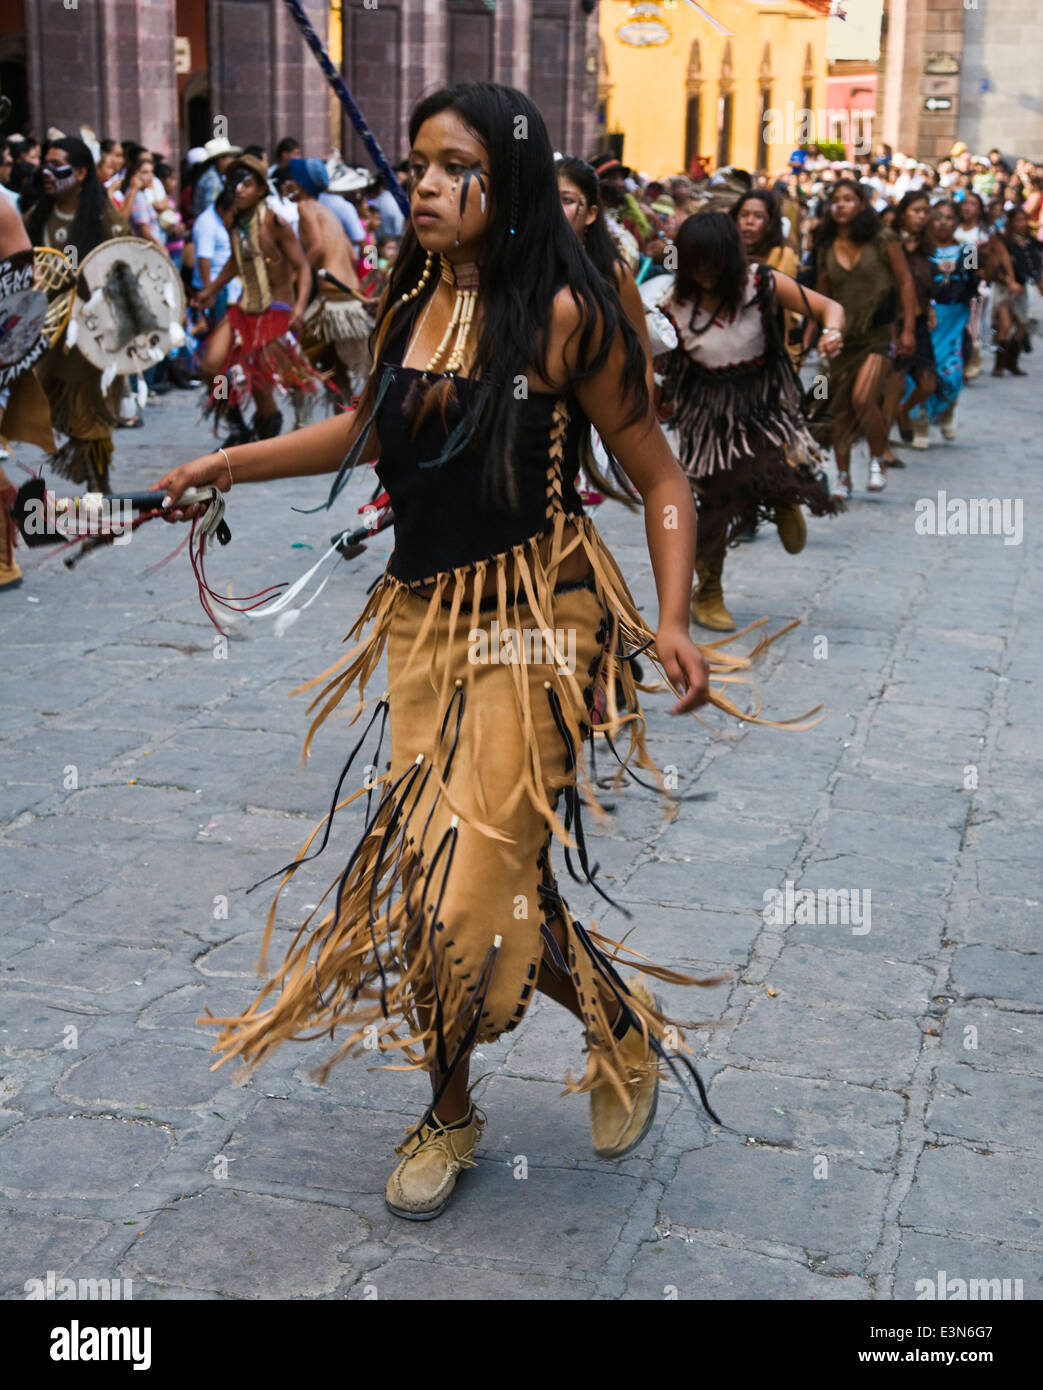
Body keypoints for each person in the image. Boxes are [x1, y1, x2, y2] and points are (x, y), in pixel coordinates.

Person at [155, 82, 796, 1222]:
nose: (429, 184)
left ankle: (552, 1051)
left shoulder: (563, 312)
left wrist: (669, 616)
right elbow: (367, 432)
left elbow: (654, 475)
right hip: (418, 622)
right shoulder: (406, 296)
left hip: (534, 618)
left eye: (456, 167)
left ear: (504, 185)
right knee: (436, 882)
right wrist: (225, 467)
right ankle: (478, 1090)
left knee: (468, 886)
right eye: (419, 163)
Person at [657, 212, 845, 632]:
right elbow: (657, 366)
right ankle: (709, 590)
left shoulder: (762, 283)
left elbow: (830, 308)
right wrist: (657, 397)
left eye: (713, 261)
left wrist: (833, 332)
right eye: (696, 261)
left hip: (765, 404)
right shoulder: (671, 305)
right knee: (717, 498)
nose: (705, 272)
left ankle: (783, 494)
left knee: (752, 465)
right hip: (706, 418)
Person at [193, 153, 324, 446]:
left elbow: (303, 266)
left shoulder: (276, 222)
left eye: (247, 184)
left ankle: (266, 430)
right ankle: (236, 424)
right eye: (236, 183)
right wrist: (211, 290)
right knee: (211, 368)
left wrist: (300, 306)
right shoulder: (236, 221)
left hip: (275, 310)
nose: (239, 189)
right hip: (244, 308)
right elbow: (236, 263)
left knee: (259, 382)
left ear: (262, 190)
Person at [22, 136, 128, 489]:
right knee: (65, 417)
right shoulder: (38, 216)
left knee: (88, 420)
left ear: (81, 173)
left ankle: (103, 501)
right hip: (51, 334)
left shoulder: (103, 216)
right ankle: (98, 493)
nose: (47, 173)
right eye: (45, 165)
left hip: (91, 336)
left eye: (57, 166)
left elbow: (123, 271)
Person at [811, 178, 917, 496]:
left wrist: (909, 329)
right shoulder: (825, 247)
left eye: (848, 199)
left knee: (862, 399)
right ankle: (843, 476)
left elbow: (906, 283)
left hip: (877, 335)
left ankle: (876, 459)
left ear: (861, 204)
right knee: (840, 408)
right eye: (836, 200)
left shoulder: (883, 239)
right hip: (842, 339)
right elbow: (822, 297)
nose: (840, 205)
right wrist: (816, 335)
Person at [286, 155, 372, 398]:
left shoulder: (305, 208)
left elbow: (317, 248)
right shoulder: (327, 210)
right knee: (333, 363)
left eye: (291, 179)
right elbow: (353, 257)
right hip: (349, 296)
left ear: (301, 184)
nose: (287, 183)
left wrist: (297, 276)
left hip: (330, 301)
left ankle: (300, 423)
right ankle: (341, 414)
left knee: (295, 362)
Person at [885, 190, 938, 452]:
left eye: (925, 211)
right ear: (903, 212)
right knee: (894, 380)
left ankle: (904, 412)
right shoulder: (890, 242)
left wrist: (930, 307)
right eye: (915, 210)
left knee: (928, 382)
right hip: (892, 320)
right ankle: (881, 445)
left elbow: (928, 283)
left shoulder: (927, 247)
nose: (920, 216)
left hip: (918, 320)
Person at [993, 206, 1043, 376]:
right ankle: (998, 365)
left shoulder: (1030, 242)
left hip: (1021, 288)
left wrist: (1037, 282)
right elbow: (999, 265)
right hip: (1004, 287)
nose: (1021, 224)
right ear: (1011, 223)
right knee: (1005, 325)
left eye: (1023, 220)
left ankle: (1011, 362)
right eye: (1018, 220)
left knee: (1022, 326)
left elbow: (1034, 266)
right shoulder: (1003, 240)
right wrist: (1010, 281)